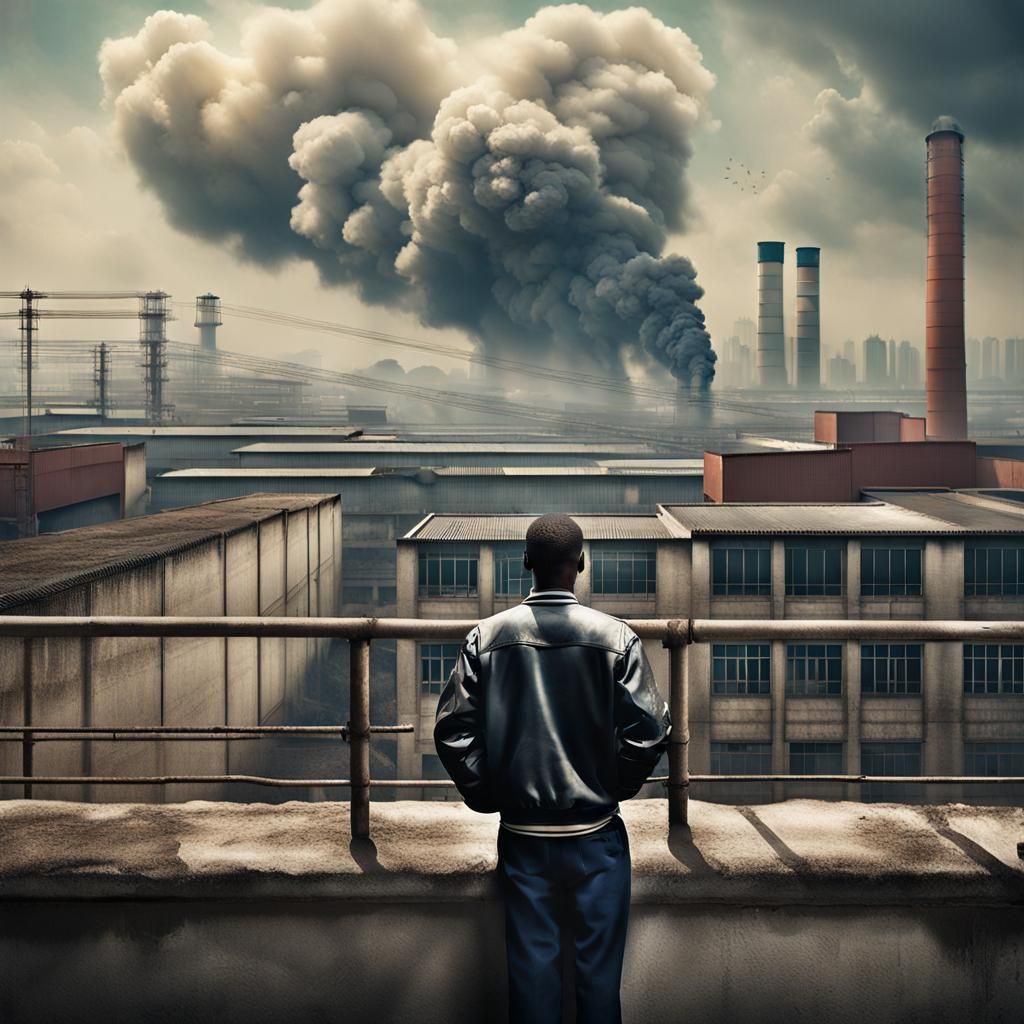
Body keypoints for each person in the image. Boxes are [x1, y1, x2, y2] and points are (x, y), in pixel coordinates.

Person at [434, 513, 671, 1024]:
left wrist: (490, 794)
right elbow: (650, 731)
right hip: (596, 839)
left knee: (532, 988)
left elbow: (453, 733)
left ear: (525, 563)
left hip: (523, 838)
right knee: (600, 987)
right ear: (580, 564)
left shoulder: (486, 638)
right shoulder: (617, 638)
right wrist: (614, 786)